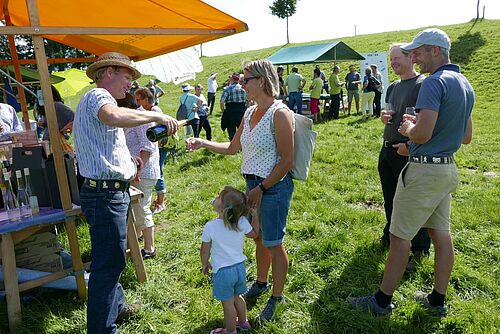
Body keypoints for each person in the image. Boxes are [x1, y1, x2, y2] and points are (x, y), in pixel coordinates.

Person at [348, 28, 474, 317]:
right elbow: (466, 137)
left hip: (423, 171)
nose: (414, 57)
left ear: (436, 51)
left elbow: (422, 133)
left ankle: (381, 301)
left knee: (399, 237)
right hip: (447, 170)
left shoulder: (434, 82)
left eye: (418, 51)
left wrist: (408, 129)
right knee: (442, 236)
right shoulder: (464, 83)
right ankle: (437, 301)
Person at [73, 52, 178, 334]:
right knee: (108, 264)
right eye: (127, 77)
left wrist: (129, 162)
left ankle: (116, 307)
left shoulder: (99, 101)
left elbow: (105, 143)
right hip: (105, 195)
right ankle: (102, 329)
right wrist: (154, 114)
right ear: (108, 72)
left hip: (107, 192)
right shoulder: (99, 97)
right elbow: (113, 116)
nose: (129, 86)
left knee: (113, 258)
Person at [187, 59, 294, 322]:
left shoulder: (279, 113)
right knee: (258, 238)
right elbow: (233, 148)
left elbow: (287, 160)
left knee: (274, 242)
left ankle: (276, 297)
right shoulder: (248, 113)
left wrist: (262, 187)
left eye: (246, 80)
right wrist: (203, 143)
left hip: (273, 187)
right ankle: (260, 282)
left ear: (262, 80)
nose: (241, 84)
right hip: (253, 186)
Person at [378, 44, 430, 272]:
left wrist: (409, 144)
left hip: (407, 151)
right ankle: (391, 236)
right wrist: (383, 117)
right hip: (387, 150)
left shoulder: (423, 85)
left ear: (411, 58)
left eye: (397, 58)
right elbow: (387, 113)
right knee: (390, 199)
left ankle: (420, 248)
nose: (393, 63)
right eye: (391, 59)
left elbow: (428, 121)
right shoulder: (392, 87)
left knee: (412, 203)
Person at [200, 186, 260, 334]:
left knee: (228, 305)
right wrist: (256, 216)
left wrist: (205, 263)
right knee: (237, 297)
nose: (215, 199)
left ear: (222, 208)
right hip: (240, 268)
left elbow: (204, 249)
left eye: (218, 198)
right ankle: (244, 323)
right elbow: (254, 235)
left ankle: (230, 331)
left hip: (223, 272)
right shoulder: (241, 222)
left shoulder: (211, 226)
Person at [120, 90, 160, 260]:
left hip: (143, 172)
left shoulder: (141, 118)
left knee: (142, 208)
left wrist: (139, 170)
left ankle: (150, 249)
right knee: (136, 208)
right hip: (136, 171)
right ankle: (137, 239)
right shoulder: (134, 117)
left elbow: (147, 146)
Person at [134, 87, 169, 215]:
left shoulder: (153, 111)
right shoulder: (149, 111)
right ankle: (159, 201)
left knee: (158, 173)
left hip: (161, 146)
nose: (136, 103)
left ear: (146, 99)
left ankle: (161, 202)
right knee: (157, 173)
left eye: (138, 99)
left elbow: (158, 133)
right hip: (156, 147)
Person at [220, 73, 247, 140]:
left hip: (230, 112)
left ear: (232, 79)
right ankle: (241, 146)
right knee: (242, 130)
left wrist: (224, 111)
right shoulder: (243, 89)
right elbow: (249, 100)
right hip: (242, 112)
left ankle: (232, 146)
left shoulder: (227, 89)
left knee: (231, 130)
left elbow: (222, 102)